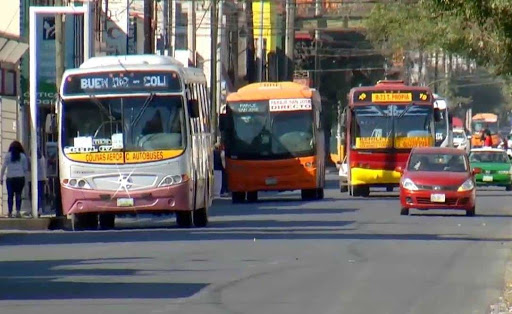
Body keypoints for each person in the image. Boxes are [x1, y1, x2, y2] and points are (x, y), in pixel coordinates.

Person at [0, 141, 29, 218]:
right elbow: (25, 168)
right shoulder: (23, 156)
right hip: (20, 178)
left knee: (10, 195)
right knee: (18, 195)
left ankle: (10, 212)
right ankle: (18, 211)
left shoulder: (8, 156)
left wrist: (1, 178)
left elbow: (3, 167)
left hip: (10, 178)